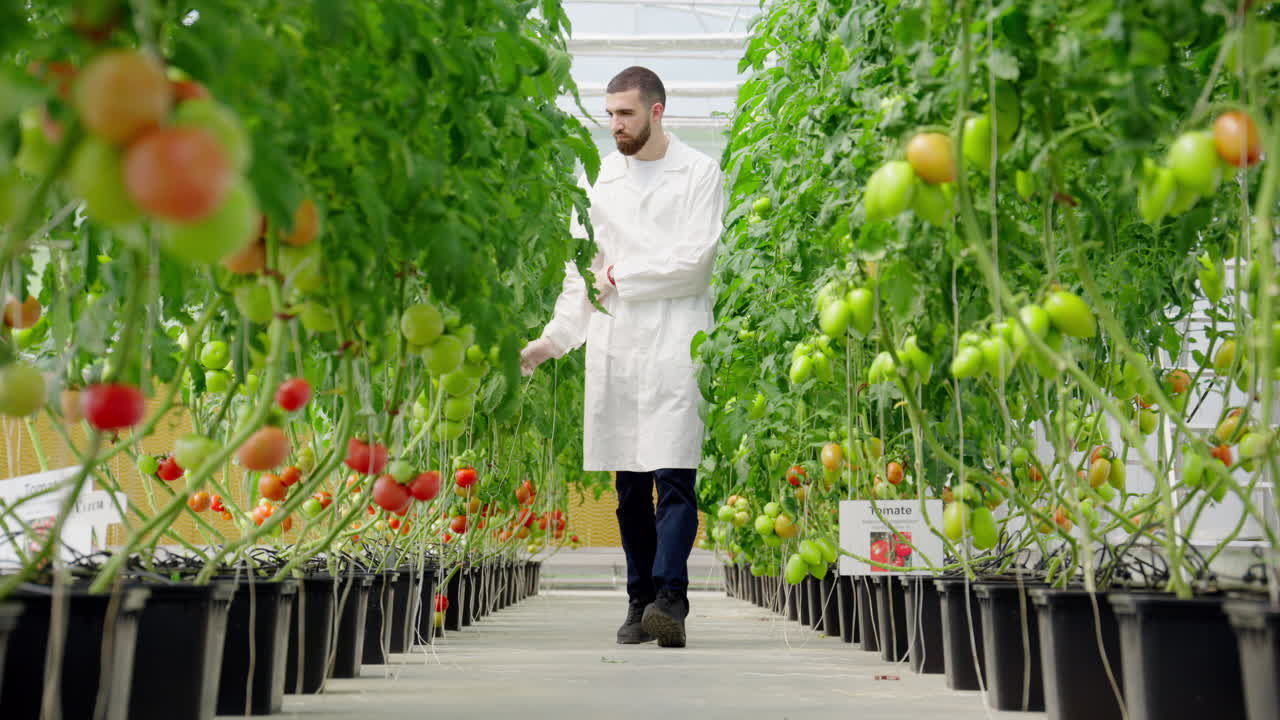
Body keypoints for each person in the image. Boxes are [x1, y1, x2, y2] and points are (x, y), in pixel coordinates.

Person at [520, 66, 724, 648]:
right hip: (617, 345)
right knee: (630, 485)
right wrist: (550, 341)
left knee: (674, 477)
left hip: (676, 341)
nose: (615, 125)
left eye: (625, 114)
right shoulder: (601, 182)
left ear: (657, 112)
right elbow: (578, 275)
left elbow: (694, 265)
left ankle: (671, 599)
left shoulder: (698, 173)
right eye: (609, 113)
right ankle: (640, 602)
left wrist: (619, 275)